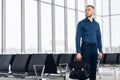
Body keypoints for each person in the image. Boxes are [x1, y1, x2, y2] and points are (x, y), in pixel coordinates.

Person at [75, 5, 103, 80]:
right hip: (85, 48)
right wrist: (78, 52)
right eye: (86, 10)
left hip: (94, 48)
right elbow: (77, 38)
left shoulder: (96, 24)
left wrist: (100, 51)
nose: (87, 11)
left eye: (89, 10)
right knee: (84, 69)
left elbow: (99, 38)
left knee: (93, 70)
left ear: (93, 11)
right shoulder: (81, 23)